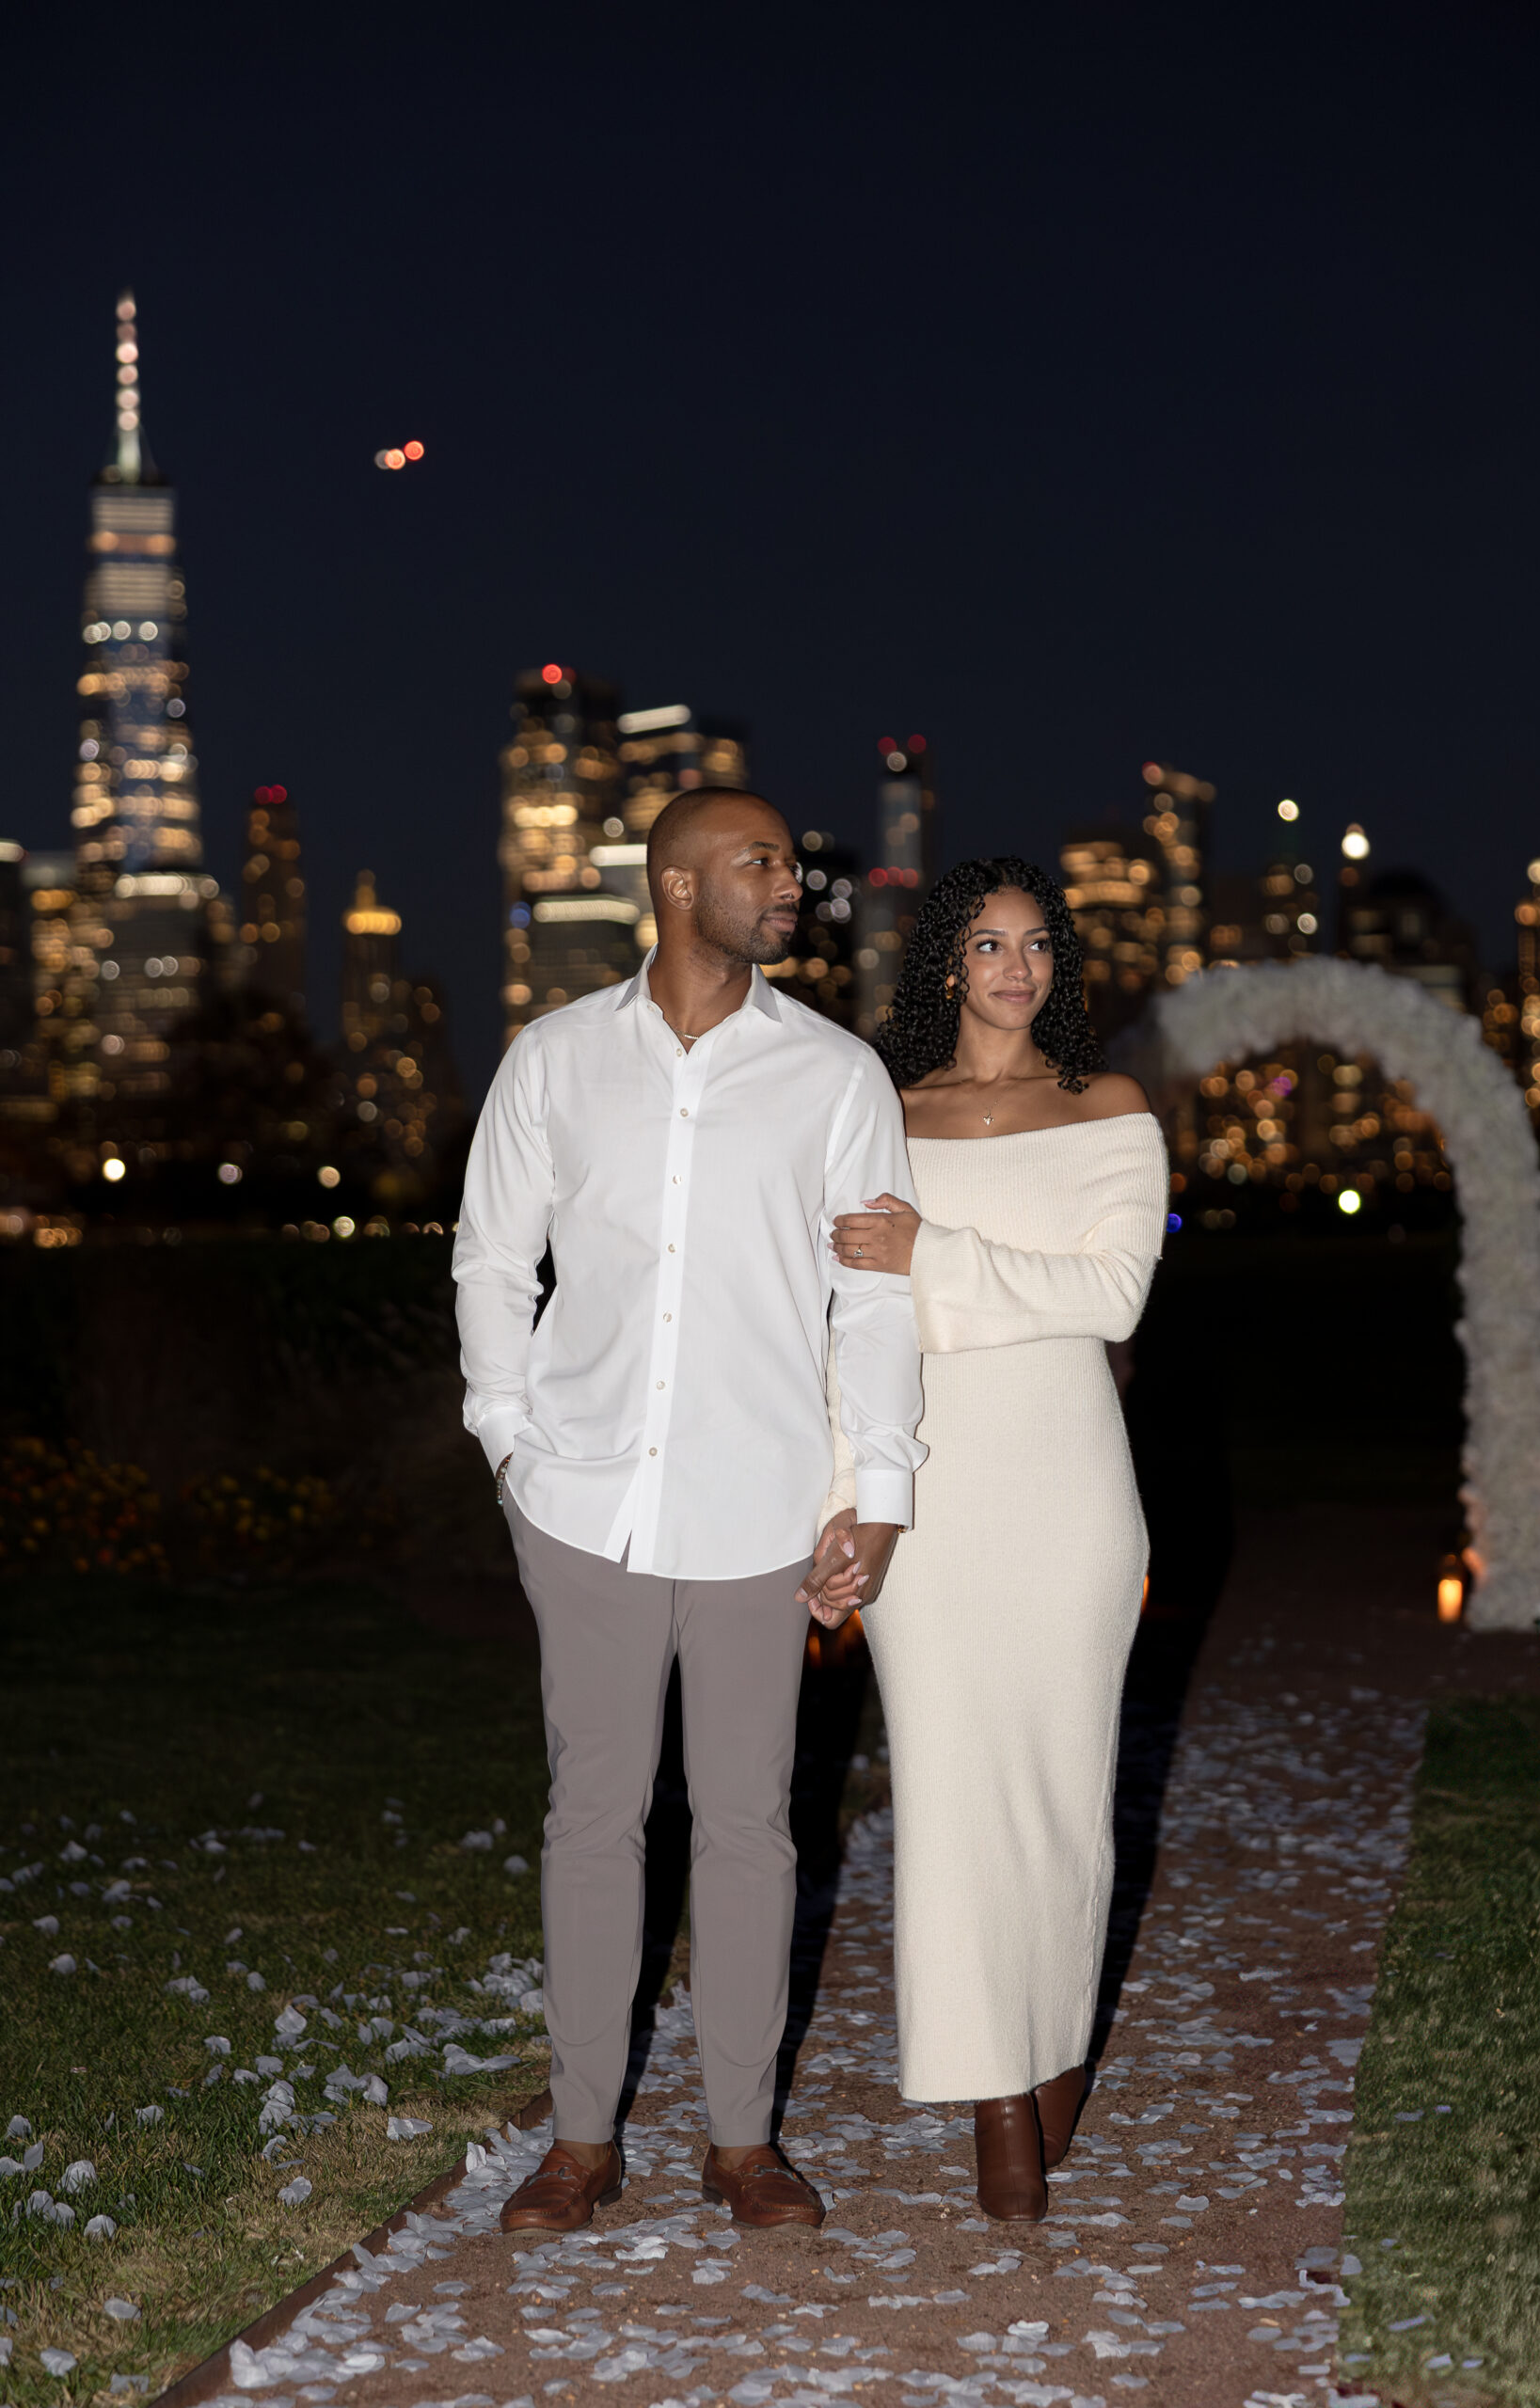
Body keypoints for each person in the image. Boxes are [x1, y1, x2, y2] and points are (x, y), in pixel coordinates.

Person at [452, 788, 925, 2235]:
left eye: (788, 858)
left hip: (759, 1508)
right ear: (673, 885)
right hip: (583, 1503)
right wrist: (510, 1446)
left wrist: (881, 1493)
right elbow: (491, 1260)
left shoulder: (836, 1076)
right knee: (592, 1818)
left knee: (749, 1828)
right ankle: (583, 2143)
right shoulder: (554, 1060)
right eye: (760, 862)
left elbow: (874, 1299)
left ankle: (741, 2144)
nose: (791, 881)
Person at [818, 856, 1167, 2223]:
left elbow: (1116, 1293)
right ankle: (998, 2097)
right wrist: (844, 1502)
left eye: (1034, 945)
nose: (1013, 969)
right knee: (954, 1800)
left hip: (1072, 1491)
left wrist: (938, 1263)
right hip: (928, 1493)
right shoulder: (883, 1121)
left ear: (1058, 967)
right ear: (944, 969)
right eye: (985, 945)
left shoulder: (1113, 1110)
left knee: (1064, 1792)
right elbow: (852, 1329)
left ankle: (1052, 2039)